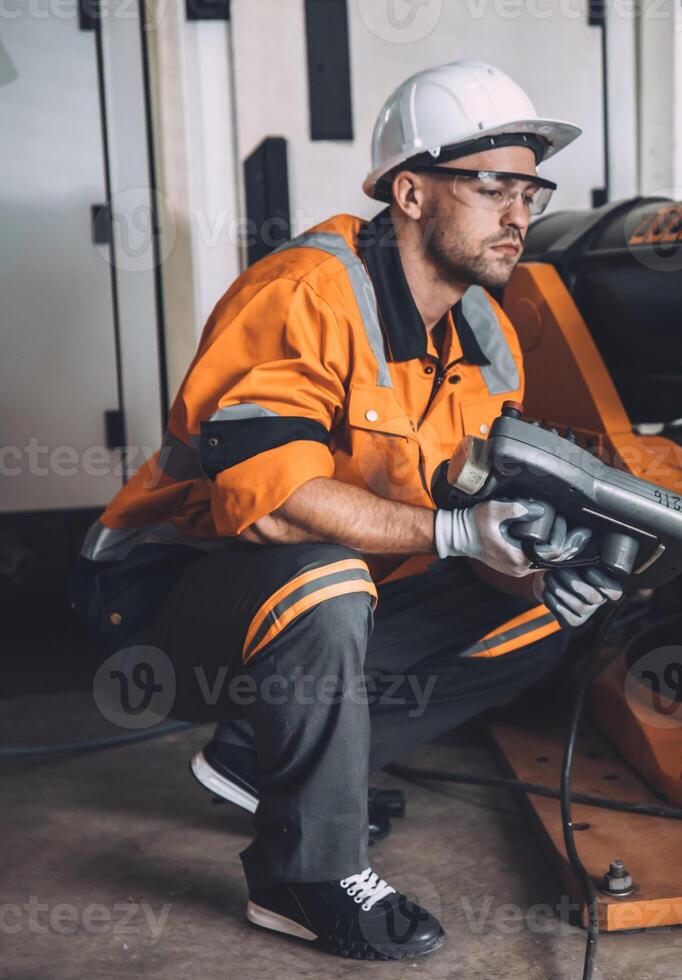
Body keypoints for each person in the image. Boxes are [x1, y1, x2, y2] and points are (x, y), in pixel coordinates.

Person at [71, 61, 622, 960]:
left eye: (530, 189)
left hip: (346, 589)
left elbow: (469, 516)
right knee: (321, 577)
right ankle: (304, 874)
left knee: (549, 611)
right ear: (409, 192)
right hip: (164, 586)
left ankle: (270, 757)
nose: (518, 214)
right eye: (491, 187)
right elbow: (274, 505)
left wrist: (526, 558)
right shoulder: (307, 295)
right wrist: (452, 532)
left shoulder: (489, 335)